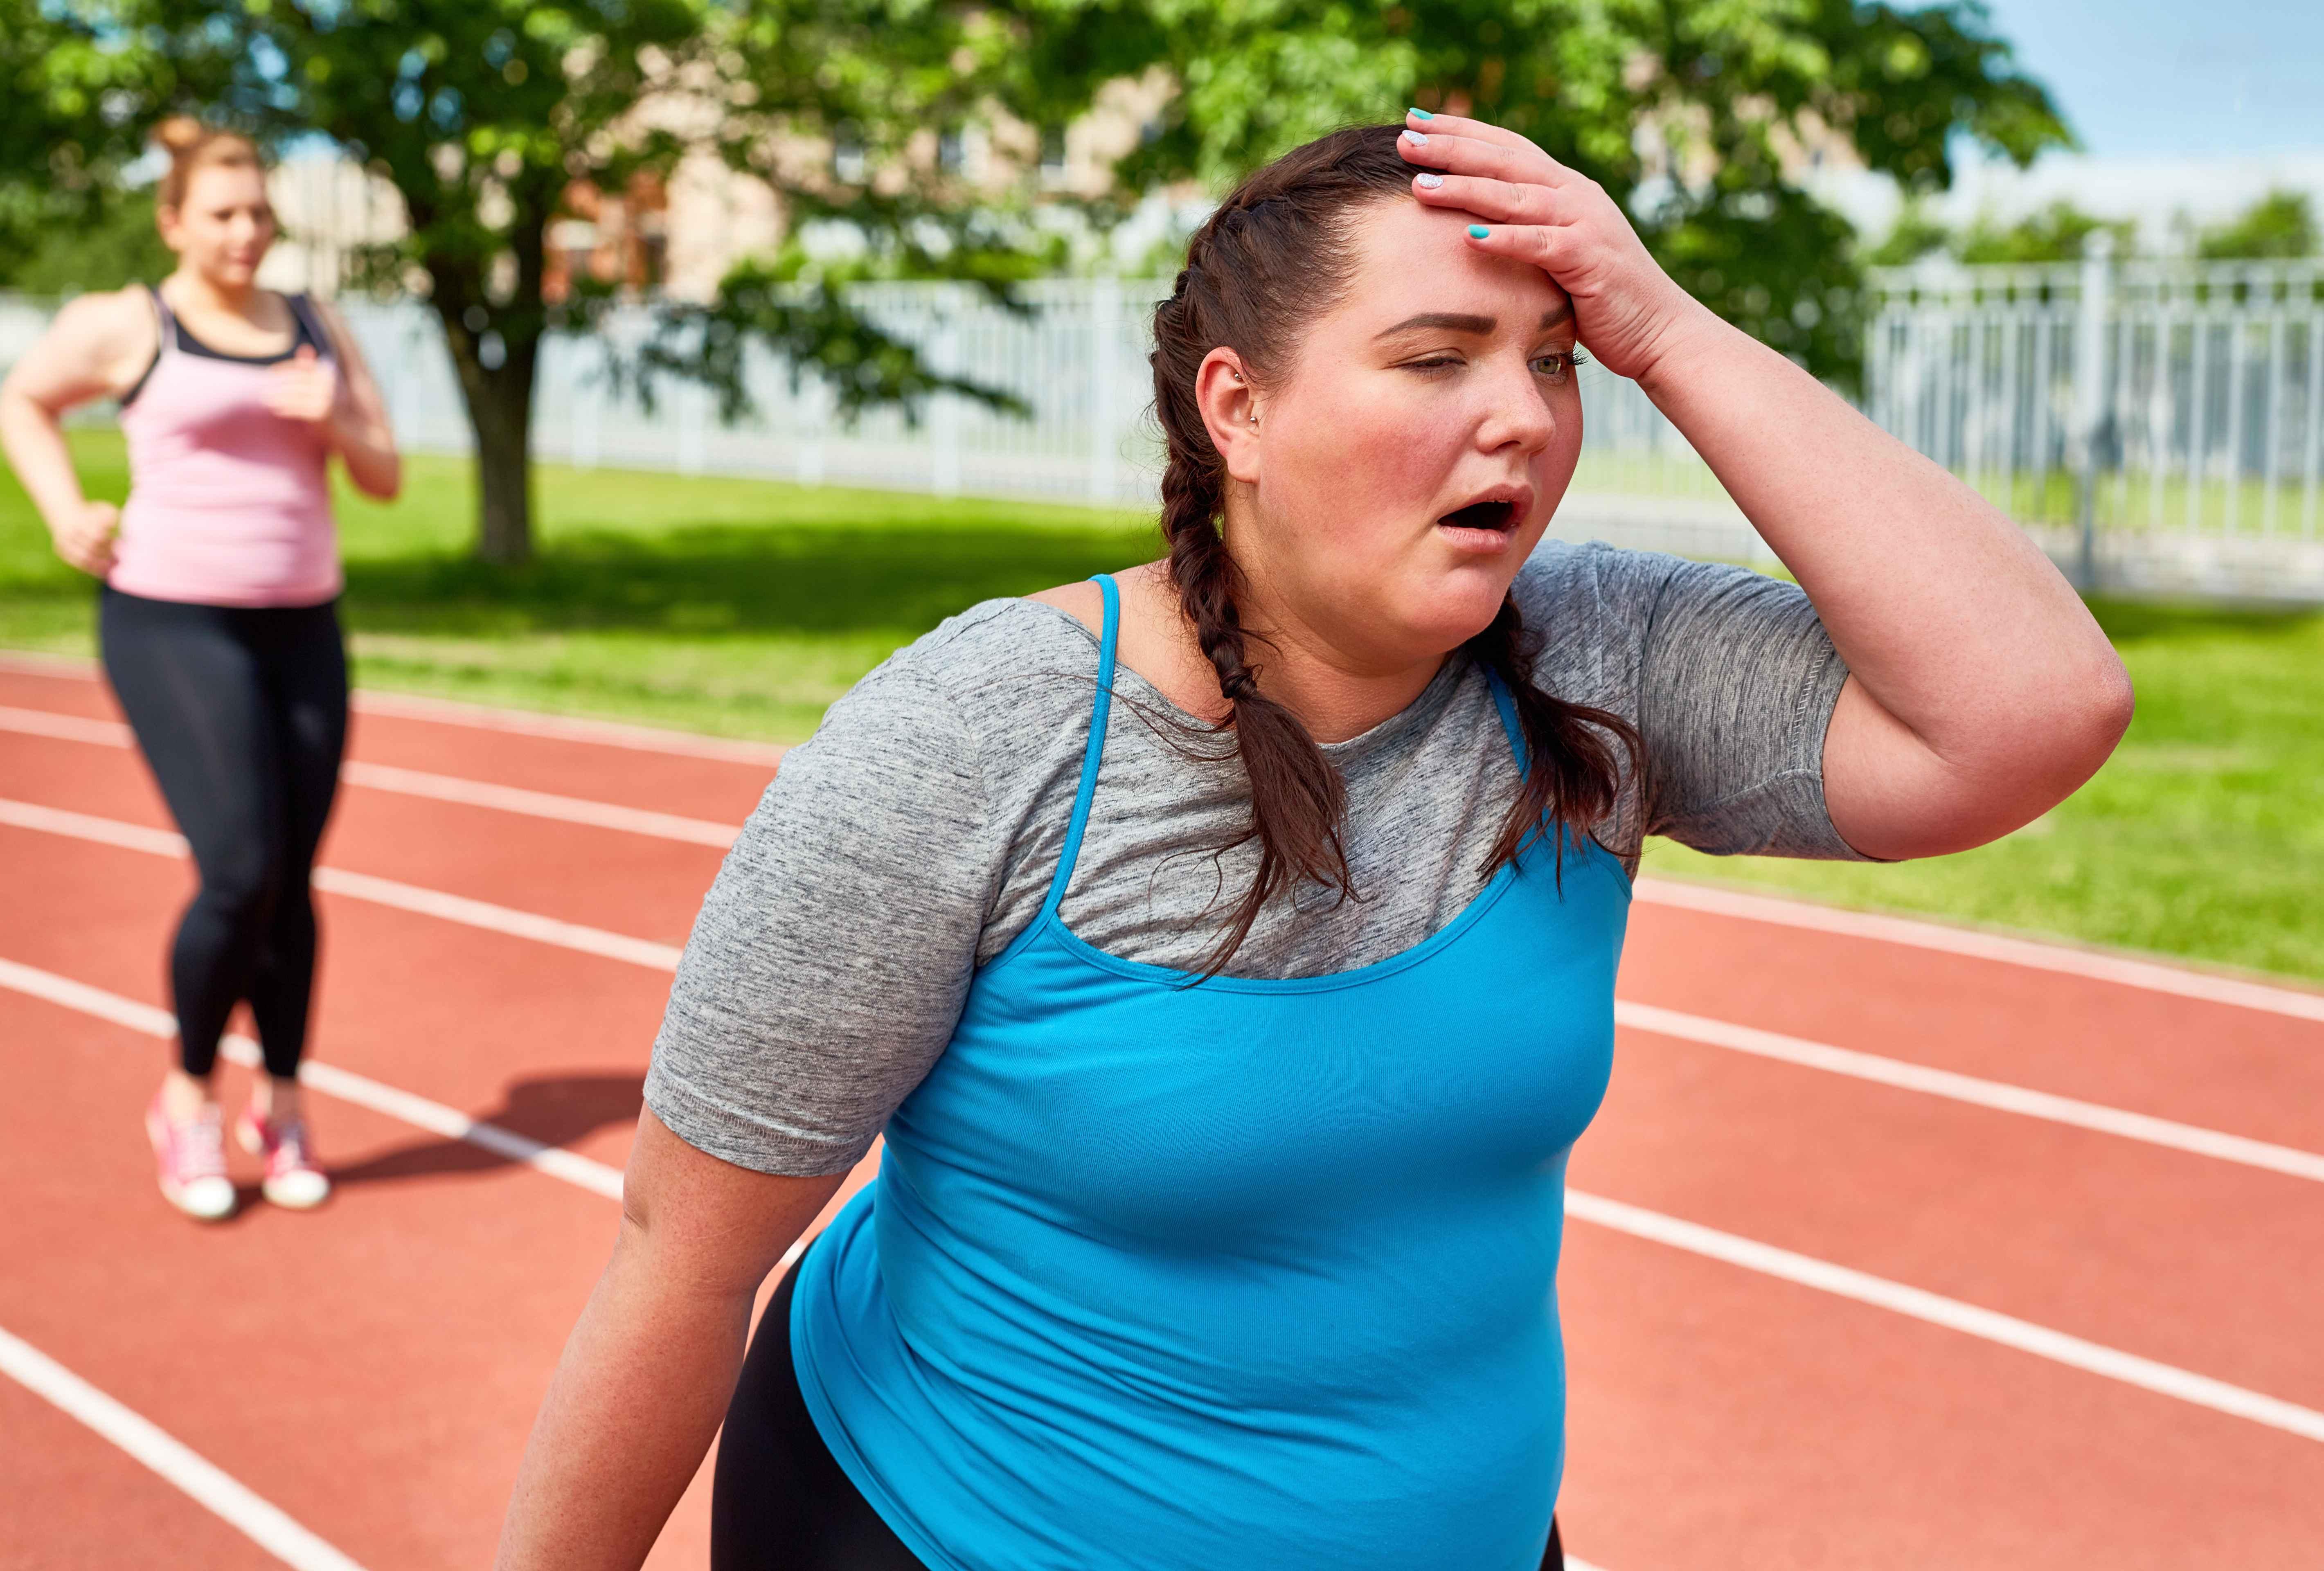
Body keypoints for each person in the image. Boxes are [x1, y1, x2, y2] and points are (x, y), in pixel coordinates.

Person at [498, 116, 2130, 1570]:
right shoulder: (977, 740)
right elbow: (680, 1263)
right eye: (1437, 359)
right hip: (938, 1522)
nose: (1524, 420)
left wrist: (1674, 332)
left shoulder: (1598, 659)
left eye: (1556, 361)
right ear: (1241, 410)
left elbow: (2033, 710)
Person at [0, 117, 401, 1221]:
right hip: (171, 621)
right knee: (239, 865)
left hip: (304, 625)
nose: (245, 231)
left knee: (294, 879)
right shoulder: (131, 321)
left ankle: (281, 1102)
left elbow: (387, 478)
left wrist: (341, 422)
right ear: (174, 221)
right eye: (222, 213)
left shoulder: (317, 323)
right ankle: (186, 1099)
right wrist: (64, 510)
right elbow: (22, 402)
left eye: (260, 211)